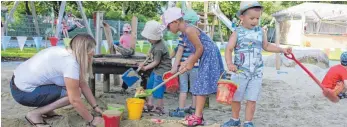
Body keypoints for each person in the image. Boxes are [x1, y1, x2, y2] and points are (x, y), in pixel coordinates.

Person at [221, 1, 292, 127]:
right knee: (236, 98)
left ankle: (248, 122)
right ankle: (235, 119)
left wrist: (282, 49)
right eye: (252, 18)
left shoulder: (260, 31)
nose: (255, 21)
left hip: (256, 73)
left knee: (252, 99)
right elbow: (229, 49)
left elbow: (267, 46)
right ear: (242, 17)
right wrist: (229, 63)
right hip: (240, 72)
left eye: (257, 18)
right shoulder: (237, 32)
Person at [10, 34, 104, 127]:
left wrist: (95, 106)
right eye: (92, 52)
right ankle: (35, 114)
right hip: (23, 92)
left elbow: (82, 83)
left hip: (17, 83)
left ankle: (47, 110)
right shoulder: (70, 63)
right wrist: (92, 120)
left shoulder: (66, 51)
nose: (93, 54)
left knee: (73, 88)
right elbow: (74, 100)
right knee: (75, 93)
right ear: (84, 52)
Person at [162, 7, 224, 126]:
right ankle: (199, 115)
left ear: (175, 21)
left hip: (209, 56)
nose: (168, 29)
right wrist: (185, 63)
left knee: (201, 85)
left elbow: (200, 48)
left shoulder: (189, 30)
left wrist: (191, 63)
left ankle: (198, 117)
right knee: (200, 85)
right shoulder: (185, 32)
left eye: (168, 26)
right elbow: (195, 50)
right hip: (205, 56)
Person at [169, 9, 200, 118]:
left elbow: (179, 51)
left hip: (183, 67)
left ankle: (181, 110)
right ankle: (193, 108)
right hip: (195, 66)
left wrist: (174, 67)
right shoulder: (197, 34)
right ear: (196, 22)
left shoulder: (183, 35)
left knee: (183, 89)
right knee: (194, 89)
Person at [138, 20, 171, 115]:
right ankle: (150, 104)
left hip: (163, 70)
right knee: (150, 85)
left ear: (155, 37)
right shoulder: (155, 43)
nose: (148, 39)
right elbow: (152, 50)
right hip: (157, 69)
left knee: (158, 88)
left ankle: (160, 107)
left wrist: (145, 68)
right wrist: (148, 53)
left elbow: (156, 62)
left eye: (149, 38)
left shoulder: (159, 48)